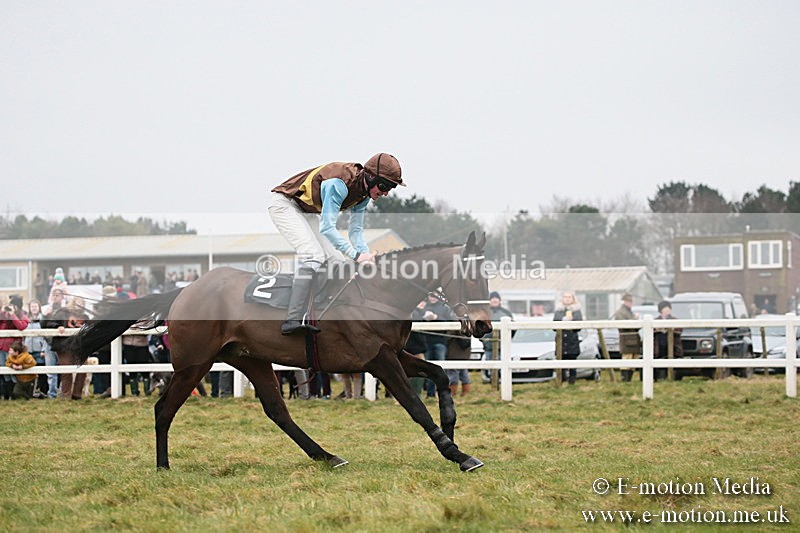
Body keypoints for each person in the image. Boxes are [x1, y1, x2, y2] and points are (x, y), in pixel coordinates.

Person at [269, 153, 404, 335]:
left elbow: (355, 232)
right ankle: (292, 319)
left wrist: (365, 255)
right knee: (313, 256)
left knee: (338, 262)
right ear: (370, 177)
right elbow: (327, 228)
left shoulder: (363, 194)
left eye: (391, 188)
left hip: (306, 211)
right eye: (384, 186)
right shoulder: (338, 184)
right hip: (285, 205)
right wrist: (356, 256)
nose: (385, 193)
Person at [44, 306, 88, 399]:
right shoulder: (62, 313)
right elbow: (49, 323)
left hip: (79, 346)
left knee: (83, 368)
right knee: (66, 370)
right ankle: (66, 395)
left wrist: (83, 327)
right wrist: (58, 326)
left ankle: (77, 395)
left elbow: (90, 326)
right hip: (64, 345)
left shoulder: (85, 316)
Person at [420, 292, 457, 398]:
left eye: (435, 295)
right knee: (428, 370)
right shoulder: (423, 306)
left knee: (441, 369)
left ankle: (443, 392)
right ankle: (430, 393)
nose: (432, 298)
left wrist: (436, 317)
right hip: (426, 342)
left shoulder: (445, 308)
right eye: (431, 295)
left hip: (440, 341)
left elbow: (448, 323)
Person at [0, 295, 30, 400]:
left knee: (12, 372)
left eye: (13, 305)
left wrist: (13, 315)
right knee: (4, 372)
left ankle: (14, 395)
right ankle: (7, 394)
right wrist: (2, 312)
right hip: (1, 347)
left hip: (13, 349)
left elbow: (21, 326)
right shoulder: (5, 315)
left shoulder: (22, 316)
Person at [481, 291, 513, 383]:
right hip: (488, 346)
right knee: (491, 366)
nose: (494, 300)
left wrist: (507, 339)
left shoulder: (506, 313)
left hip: (502, 346)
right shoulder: (484, 313)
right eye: (492, 298)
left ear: (499, 300)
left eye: (496, 298)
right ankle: (492, 382)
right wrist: (484, 340)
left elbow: (513, 328)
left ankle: (503, 382)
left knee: (503, 366)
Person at [553, 291, 583, 385]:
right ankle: (560, 381)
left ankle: (572, 382)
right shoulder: (558, 311)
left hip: (572, 340)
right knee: (560, 362)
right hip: (561, 340)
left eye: (569, 297)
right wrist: (562, 321)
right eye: (565, 297)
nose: (567, 299)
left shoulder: (577, 311)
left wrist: (571, 322)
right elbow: (554, 326)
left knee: (572, 362)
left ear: (573, 299)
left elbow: (579, 327)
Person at [24, 299, 50, 398]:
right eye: (32, 306)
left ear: (39, 307)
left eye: (35, 306)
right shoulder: (26, 319)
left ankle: (43, 391)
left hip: (39, 349)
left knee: (41, 372)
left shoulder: (43, 319)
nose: (34, 308)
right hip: (29, 349)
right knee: (30, 371)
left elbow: (45, 336)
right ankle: (30, 392)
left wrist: (43, 349)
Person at [613, 293, 641, 382]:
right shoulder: (620, 312)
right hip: (626, 339)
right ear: (624, 301)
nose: (630, 303)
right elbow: (623, 325)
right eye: (628, 301)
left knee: (633, 359)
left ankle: (629, 379)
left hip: (634, 339)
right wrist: (634, 320)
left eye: (631, 301)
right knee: (626, 359)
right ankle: (625, 379)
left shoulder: (629, 312)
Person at [654, 300, 682, 381]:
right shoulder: (656, 320)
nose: (667, 310)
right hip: (659, 344)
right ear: (661, 310)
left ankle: (671, 376)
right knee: (660, 359)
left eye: (668, 308)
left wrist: (673, 330)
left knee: (671, 358)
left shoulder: (674, 319)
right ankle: (660, 377)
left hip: (672, 344)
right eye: (665, 308)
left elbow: (680, 330)